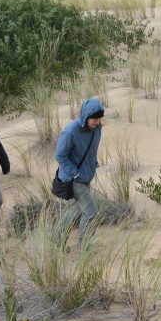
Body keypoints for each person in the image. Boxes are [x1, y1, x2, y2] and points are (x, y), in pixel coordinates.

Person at [55, 98, 105, 248]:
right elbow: (59, 155)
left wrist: (93, 164)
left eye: (99, 119)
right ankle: (84, 247)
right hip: (73, 179)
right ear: (86, 116)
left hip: (85, 176)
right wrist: (75, 173)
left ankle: (56, 239)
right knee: (91, 213)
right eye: (94, 119)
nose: (97, 122)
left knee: (75, 210)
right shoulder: (71, 131)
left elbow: (91, 149)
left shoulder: (97, 129)